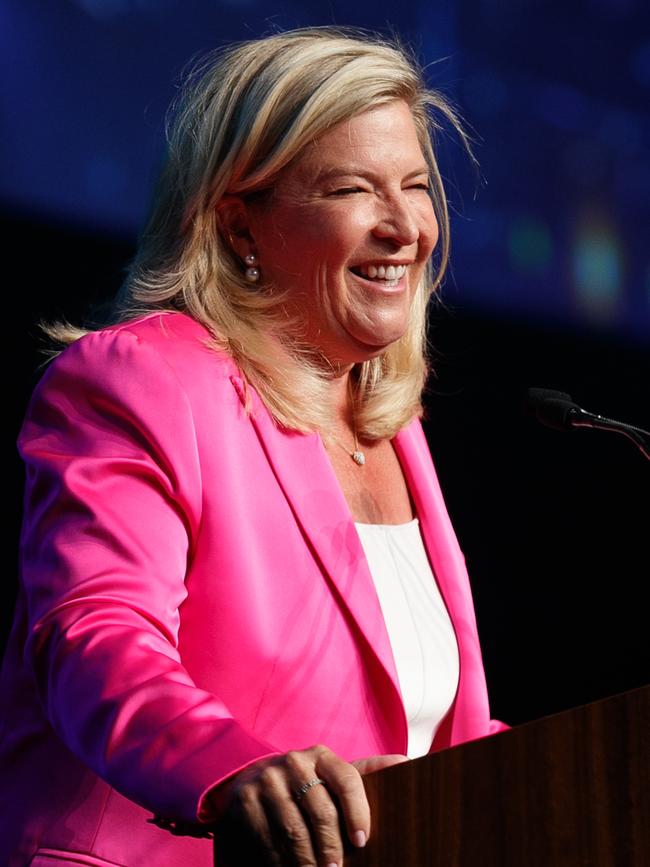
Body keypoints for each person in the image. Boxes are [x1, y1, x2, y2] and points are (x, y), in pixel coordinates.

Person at [0, 27, 507, 867]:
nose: (403, 226)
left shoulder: (393, 426)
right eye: (354, 189)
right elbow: (96, 631)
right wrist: (232, 768)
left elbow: (445, 734)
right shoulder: (139, 380)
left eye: (416, 187)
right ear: (240, 224)